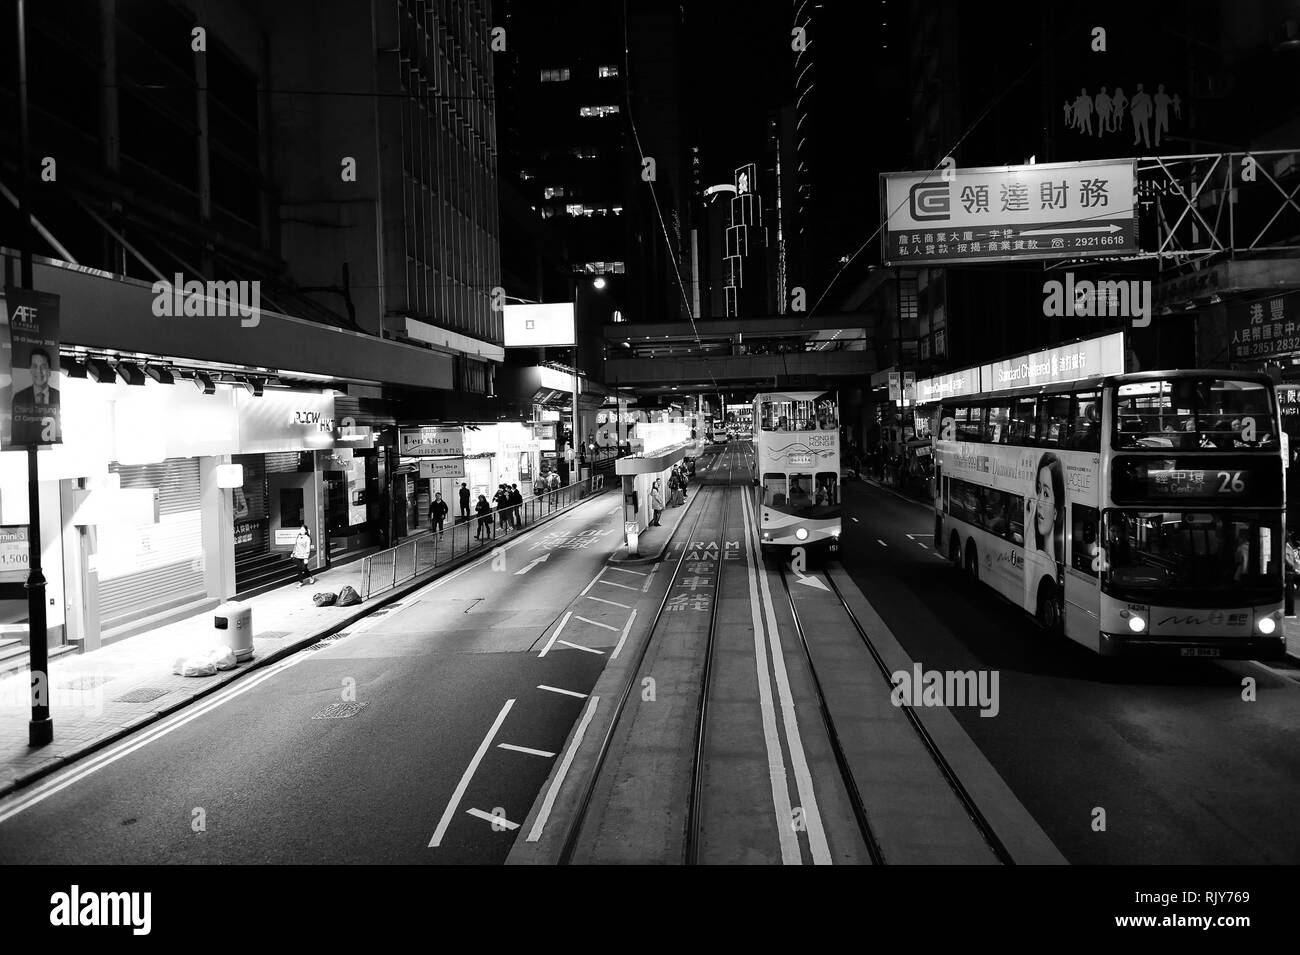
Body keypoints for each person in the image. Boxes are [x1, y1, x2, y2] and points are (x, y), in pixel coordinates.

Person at [12, 347, 61, 444]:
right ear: (30, 370)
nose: (39, 371)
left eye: (43, 366)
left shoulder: (58, 395)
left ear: (49, 371)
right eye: (34, 366)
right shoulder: (19, 397)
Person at [1027, 452, 1066, 565]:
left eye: (1046, 494)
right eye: (1039, 490)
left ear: (1056, 511)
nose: (1038, 502)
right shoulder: (1035, 553)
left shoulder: (1050, 563)